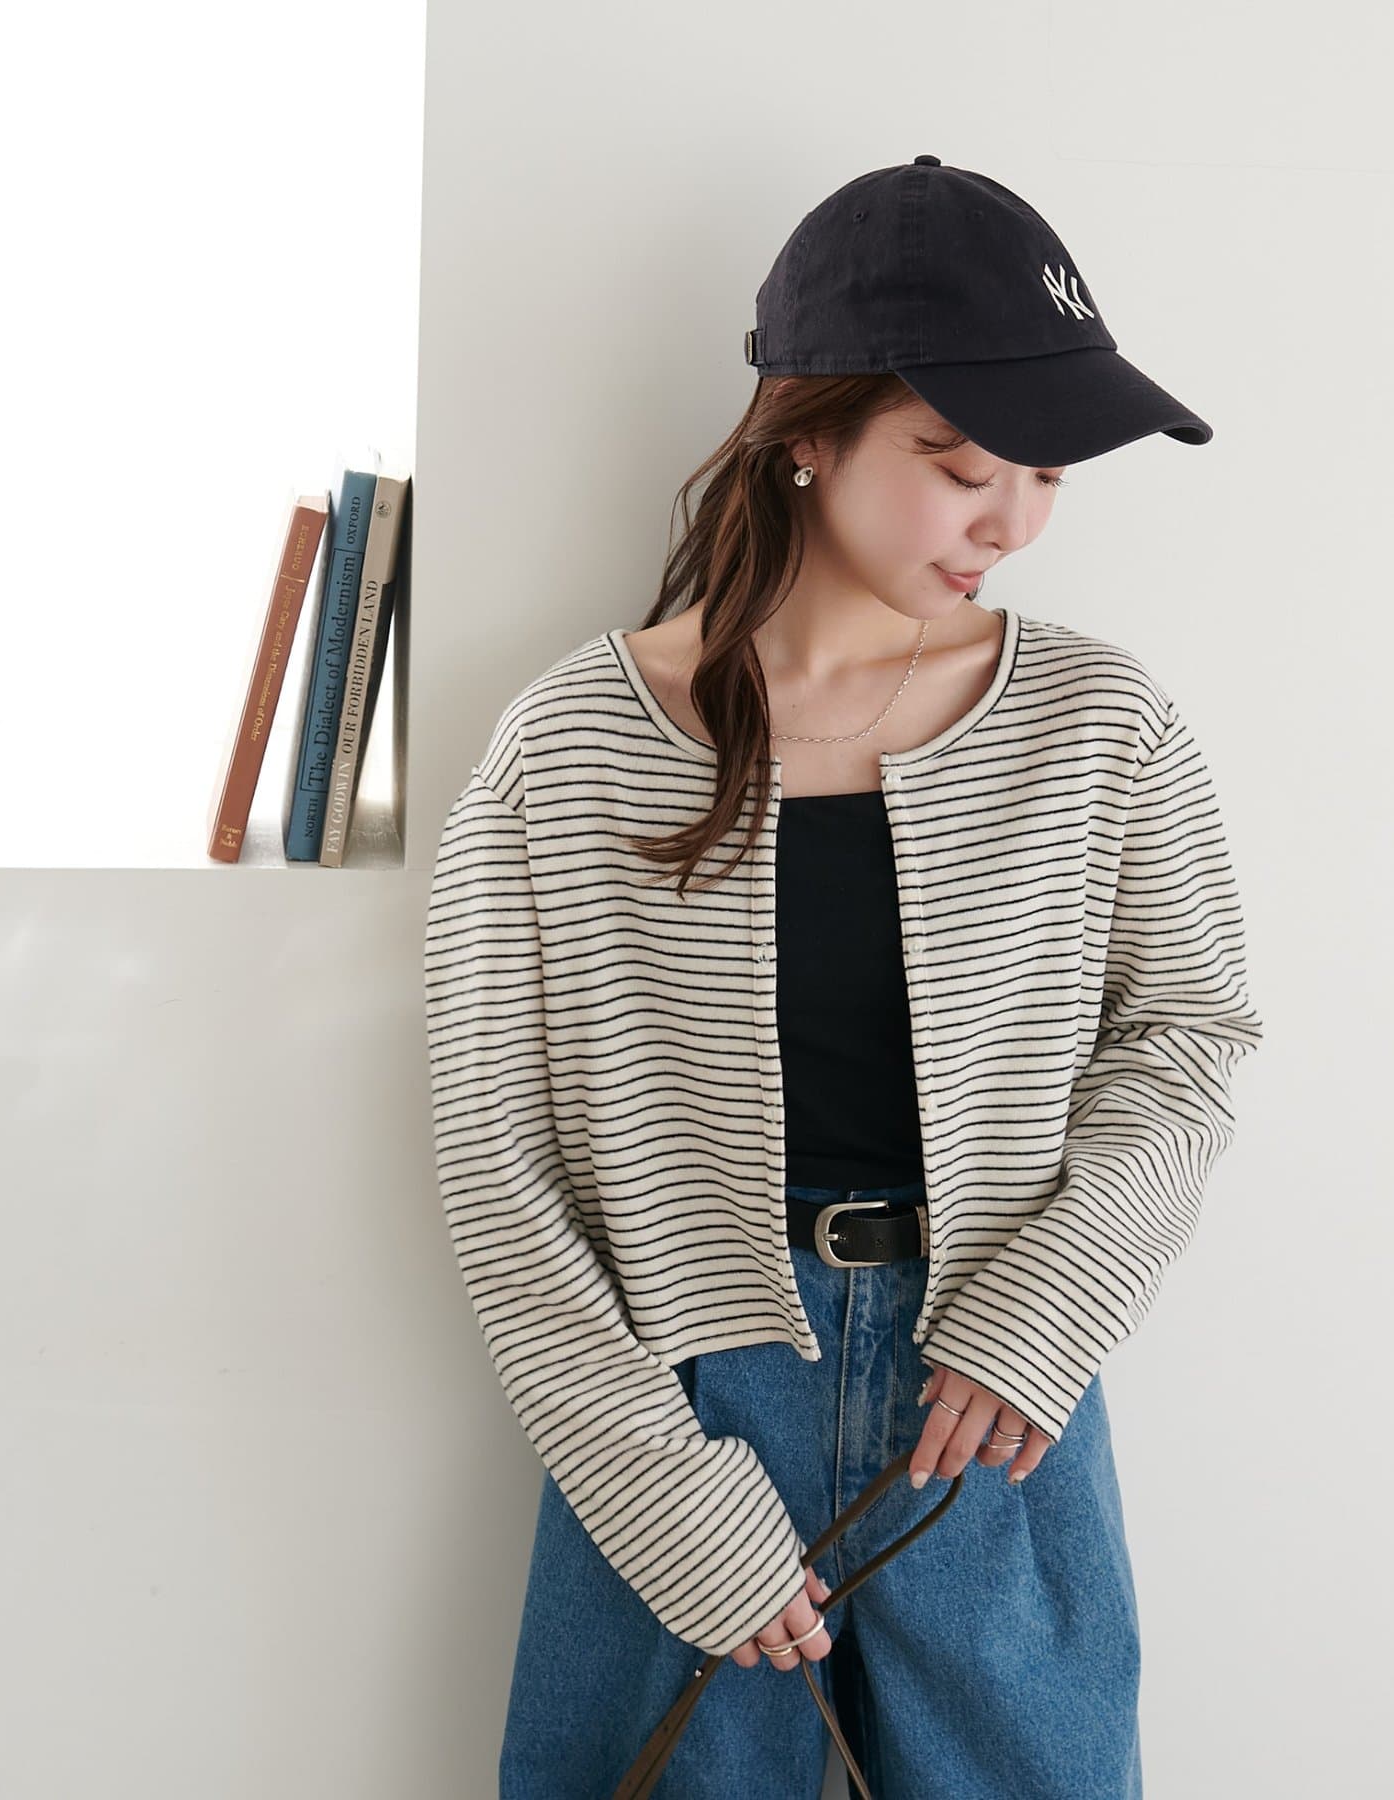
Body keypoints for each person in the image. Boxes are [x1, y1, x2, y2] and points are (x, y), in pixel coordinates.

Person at [423, 155, 1264, 1798]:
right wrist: (655, 1483)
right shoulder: (569, 747)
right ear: (805, 433)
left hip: (992, 1383)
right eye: (960, 465)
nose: (1012, 523)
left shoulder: (1102, 726)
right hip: (673, 1400)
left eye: (1047, 474)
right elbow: (493, 1153)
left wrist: (1051, 1310)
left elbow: (1189, 1037)